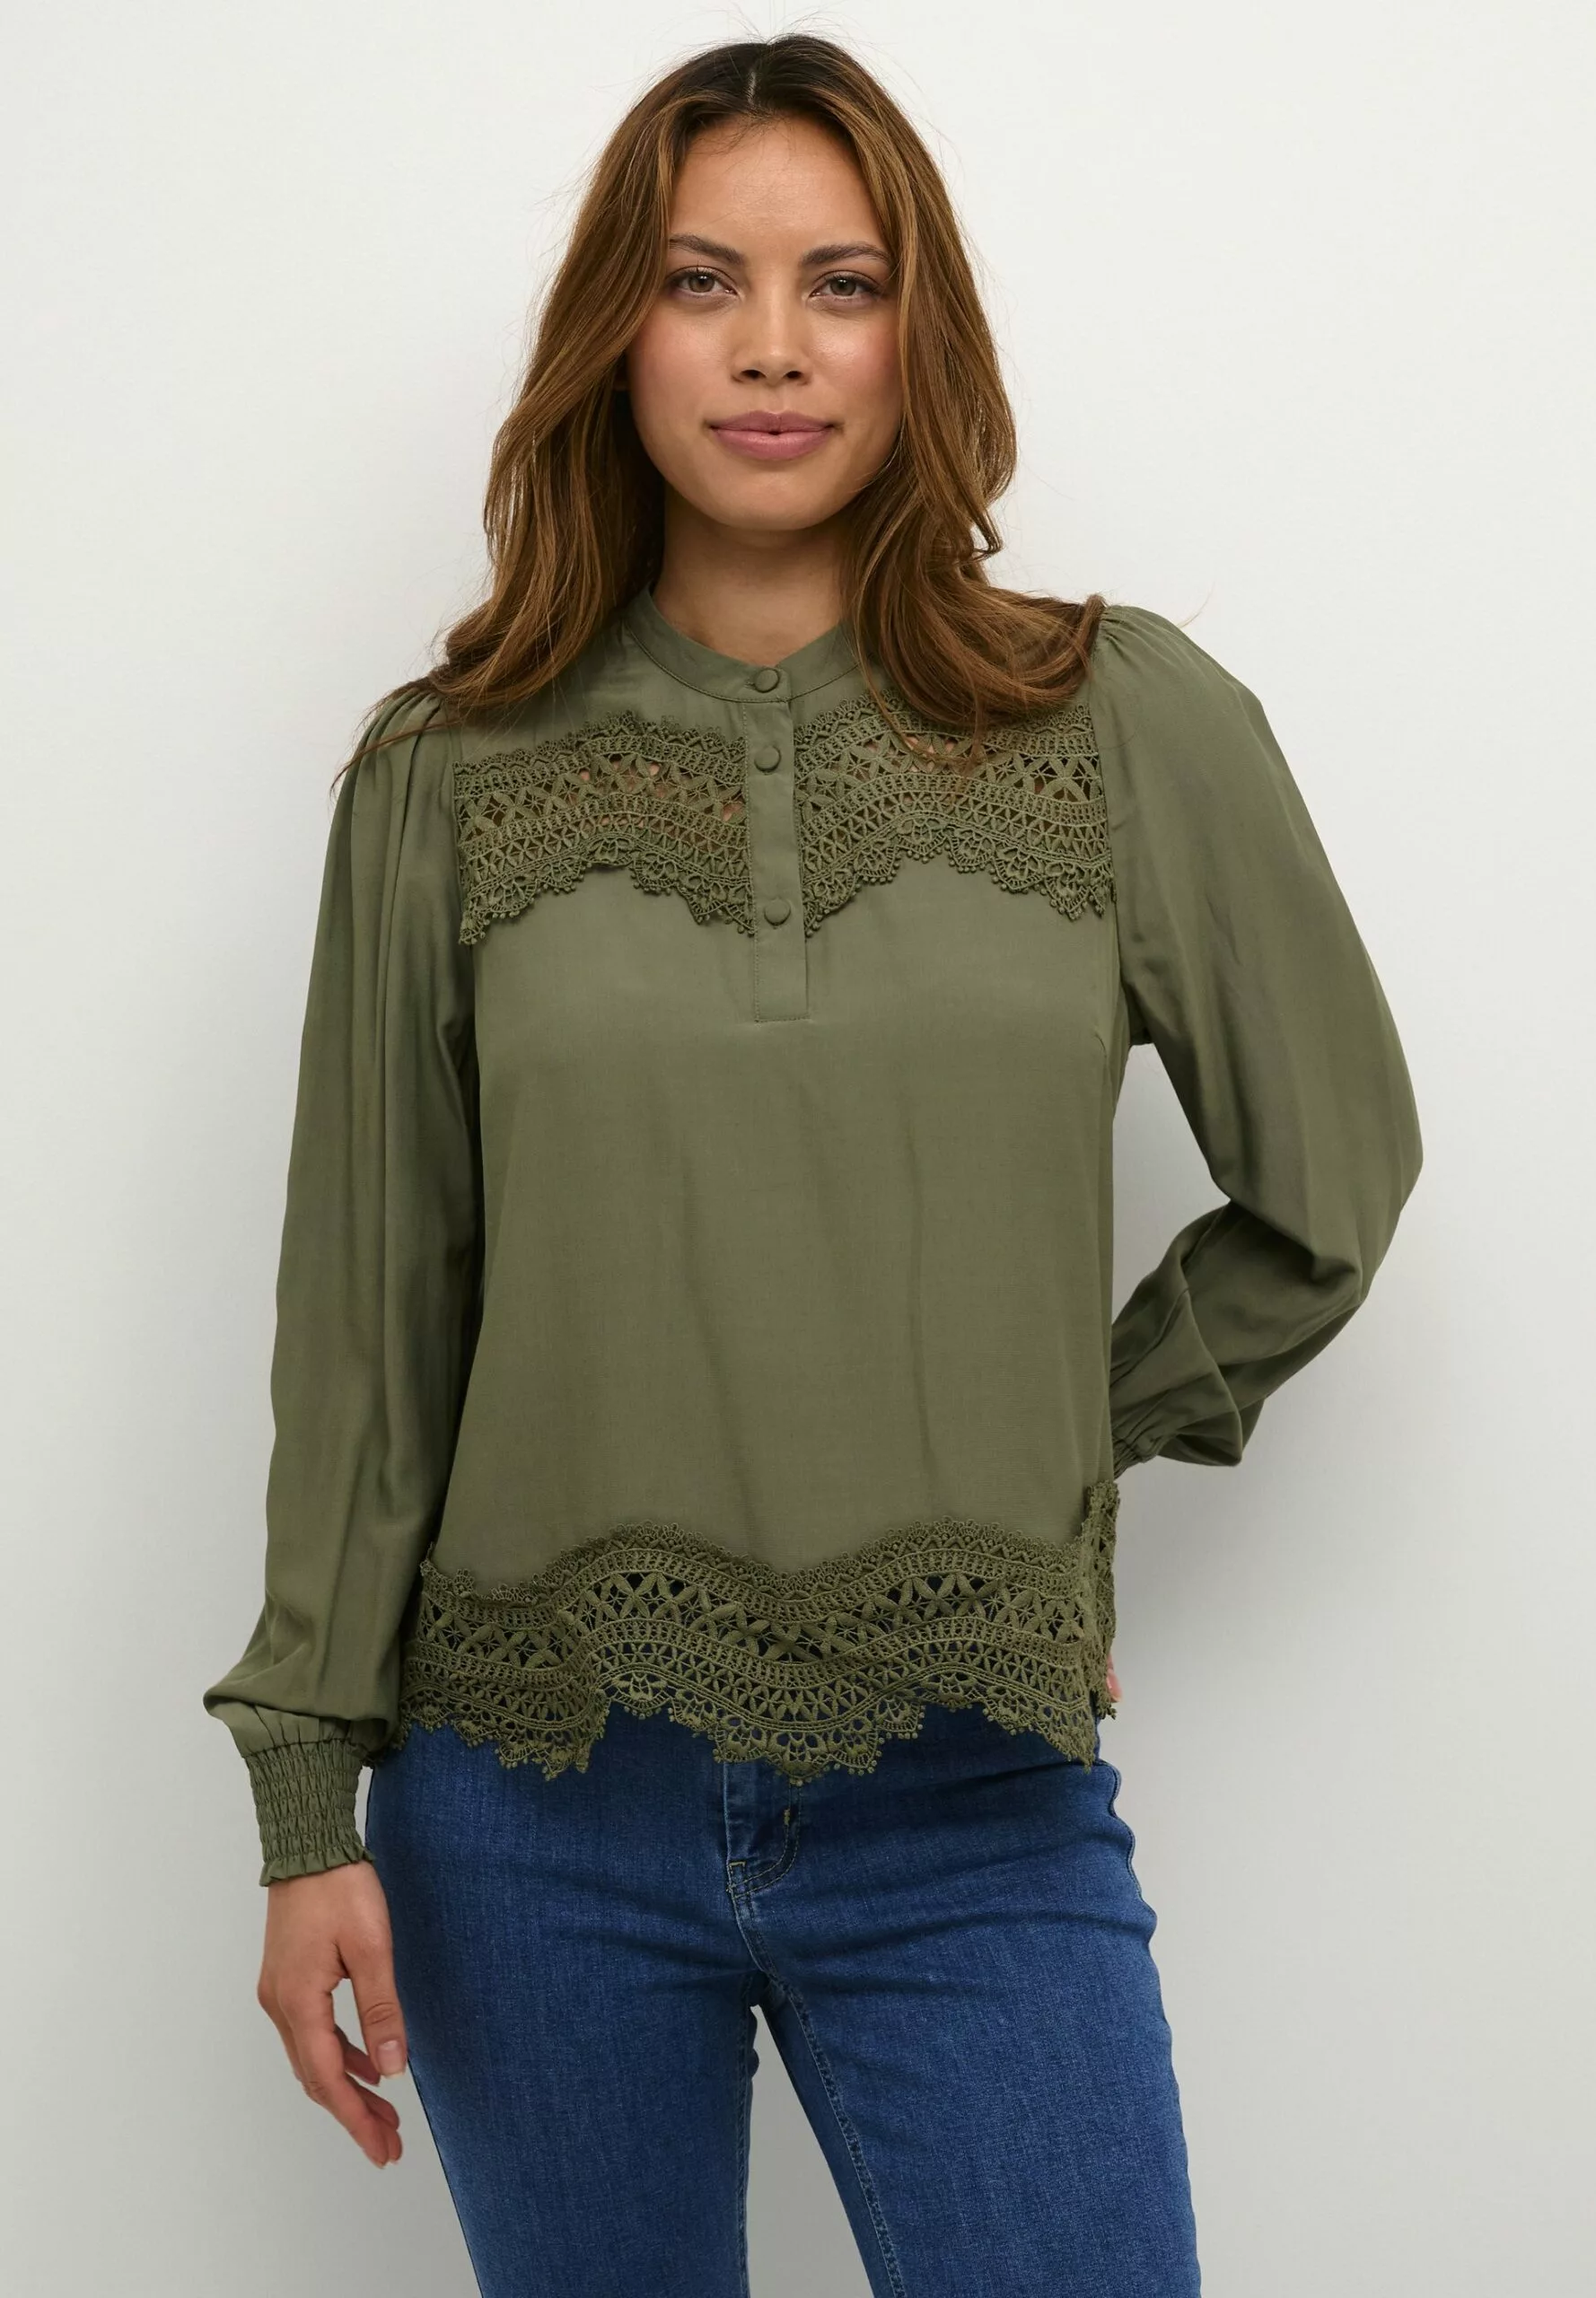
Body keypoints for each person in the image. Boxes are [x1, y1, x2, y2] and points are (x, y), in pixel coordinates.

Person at [203, 33, 1423, 2298]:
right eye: (701, 281)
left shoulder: (1119, 722)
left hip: (972, 1792)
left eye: (839, 282)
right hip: (527, 1805)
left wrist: (1072, 1448)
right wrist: (303, 1802)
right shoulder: (449, 775)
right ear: (617, 334)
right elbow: (368, 1321)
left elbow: (1329, 1181)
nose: (771, 345)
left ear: (915, 331)